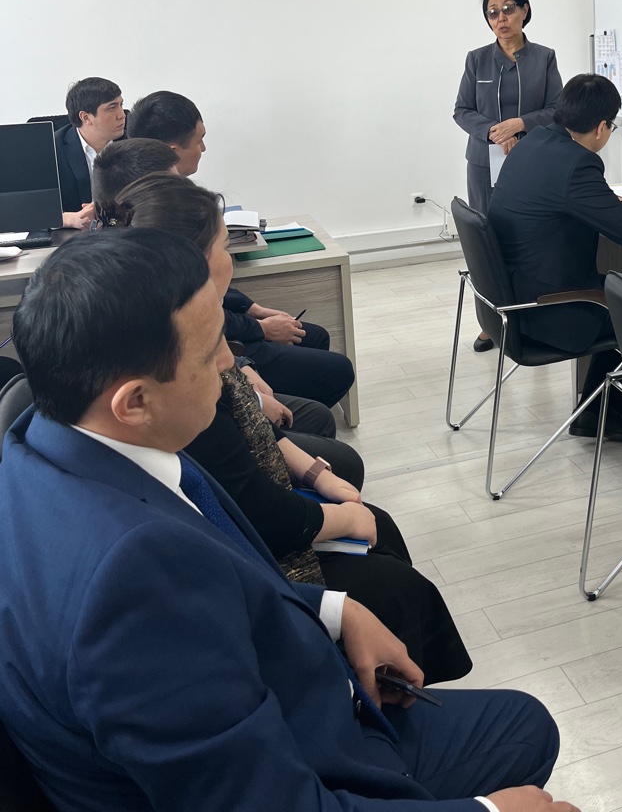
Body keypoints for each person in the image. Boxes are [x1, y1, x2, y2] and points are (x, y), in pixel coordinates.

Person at [0, 229, 567, 812]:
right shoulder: (132, 578)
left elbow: (221, 584)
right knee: (526, 734)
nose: (230, 363)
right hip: (302, 756)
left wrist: (333, 610)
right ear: (135, 401)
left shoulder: (47, 439)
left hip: (280, 690)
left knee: (521, 722)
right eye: (210, 351)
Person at [104, 172, 470, 683]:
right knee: (395, 581)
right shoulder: (173, 376)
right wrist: (341, 519)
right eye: (223, 246)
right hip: (251, 556)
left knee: (373, 522)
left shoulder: (183, 329)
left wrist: (316, 476)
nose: (226, 364)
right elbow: (252, 509)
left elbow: (244, 418)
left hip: (250, 523)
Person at [93, 140, 362, 484]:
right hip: (228, 449)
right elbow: (235, 471)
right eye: (223, 247)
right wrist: (255, 395)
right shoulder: (171, 346)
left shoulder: (155, 293)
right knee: (334, 437)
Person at [128, 88, 355, 407]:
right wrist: (260, 328)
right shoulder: (160, 214)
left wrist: (252, 308)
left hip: (218, 327)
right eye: (199, 140)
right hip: (208, 343)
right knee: (335, 369)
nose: (204, 149)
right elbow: (194, 309)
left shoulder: (157, 192)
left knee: (315, 337)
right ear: (172, 150)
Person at [488, 74, 622, 439]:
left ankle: (598, 413)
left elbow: (560, 198)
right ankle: (607, 416)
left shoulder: (534, 141)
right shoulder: (578, 163)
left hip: (507, 302)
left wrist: (609, 204)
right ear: (601, 127)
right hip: (549, 310)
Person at [454, 0, 562, 351]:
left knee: (531, 238)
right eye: (493, 12)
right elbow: (462, 111)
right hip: (484, 163)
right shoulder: (477, 59)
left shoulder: (544, 57)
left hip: (531, 160)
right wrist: (494, 132)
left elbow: (558, 109)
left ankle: (530, 315)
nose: (501, 18)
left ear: (524, 11)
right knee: (486, 241)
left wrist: (520, 124)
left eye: (508, 8)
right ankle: (490, 322)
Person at [55, 76, 126, 228]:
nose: (122, 115)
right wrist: (66, 219)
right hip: (71, 235)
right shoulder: (53, 149)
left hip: (121, 231)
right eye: (112, 108)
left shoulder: (132, 143)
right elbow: (29, 208)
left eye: (121, 105)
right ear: (86, 117)